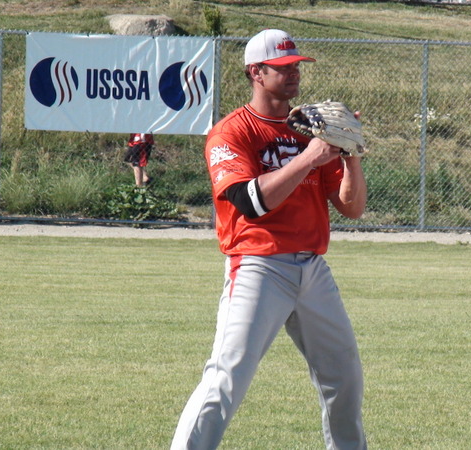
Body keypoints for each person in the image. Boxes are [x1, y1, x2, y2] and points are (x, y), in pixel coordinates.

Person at [170, 29, 368, 450]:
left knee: (345, 376)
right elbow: (250, 202)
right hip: (259, 265)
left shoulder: (311, 129)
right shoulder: (232, 132)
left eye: (295, 65)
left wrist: (351, 155)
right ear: (255, 73)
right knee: (227, 377)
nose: (293, 72)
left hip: (312, 267)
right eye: (281, 67)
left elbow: (351, 208)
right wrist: (309, 157)